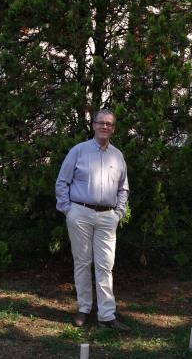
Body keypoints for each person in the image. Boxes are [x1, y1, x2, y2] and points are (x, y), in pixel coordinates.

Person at [55, 109, 130, 331]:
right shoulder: (78, 151)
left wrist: (118, 213)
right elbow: (62, 182)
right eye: (101, 123)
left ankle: (107, 315)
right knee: (82, 262)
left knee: (106, 265)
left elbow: (123, 188)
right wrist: (68, 209)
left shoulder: (118, 156)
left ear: (113, 129)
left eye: (109, 124)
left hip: (108, 216)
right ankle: (84, 308)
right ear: (94, 125)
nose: (104, 127)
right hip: (80, 213)